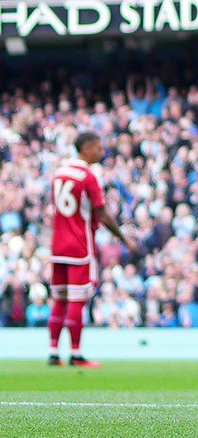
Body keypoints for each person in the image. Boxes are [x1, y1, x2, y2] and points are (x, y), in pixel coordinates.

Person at [47, 132, 131, 368]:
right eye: (98, 148)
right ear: (86, 148)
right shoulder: (88, 176)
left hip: (57, 246)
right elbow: (101, 213)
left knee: (59, 299)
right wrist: (124, 238)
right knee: (77, 299)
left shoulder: (59, 172)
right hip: (78, 245)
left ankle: (53, 351)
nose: (101, 152)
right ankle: (76, 354)